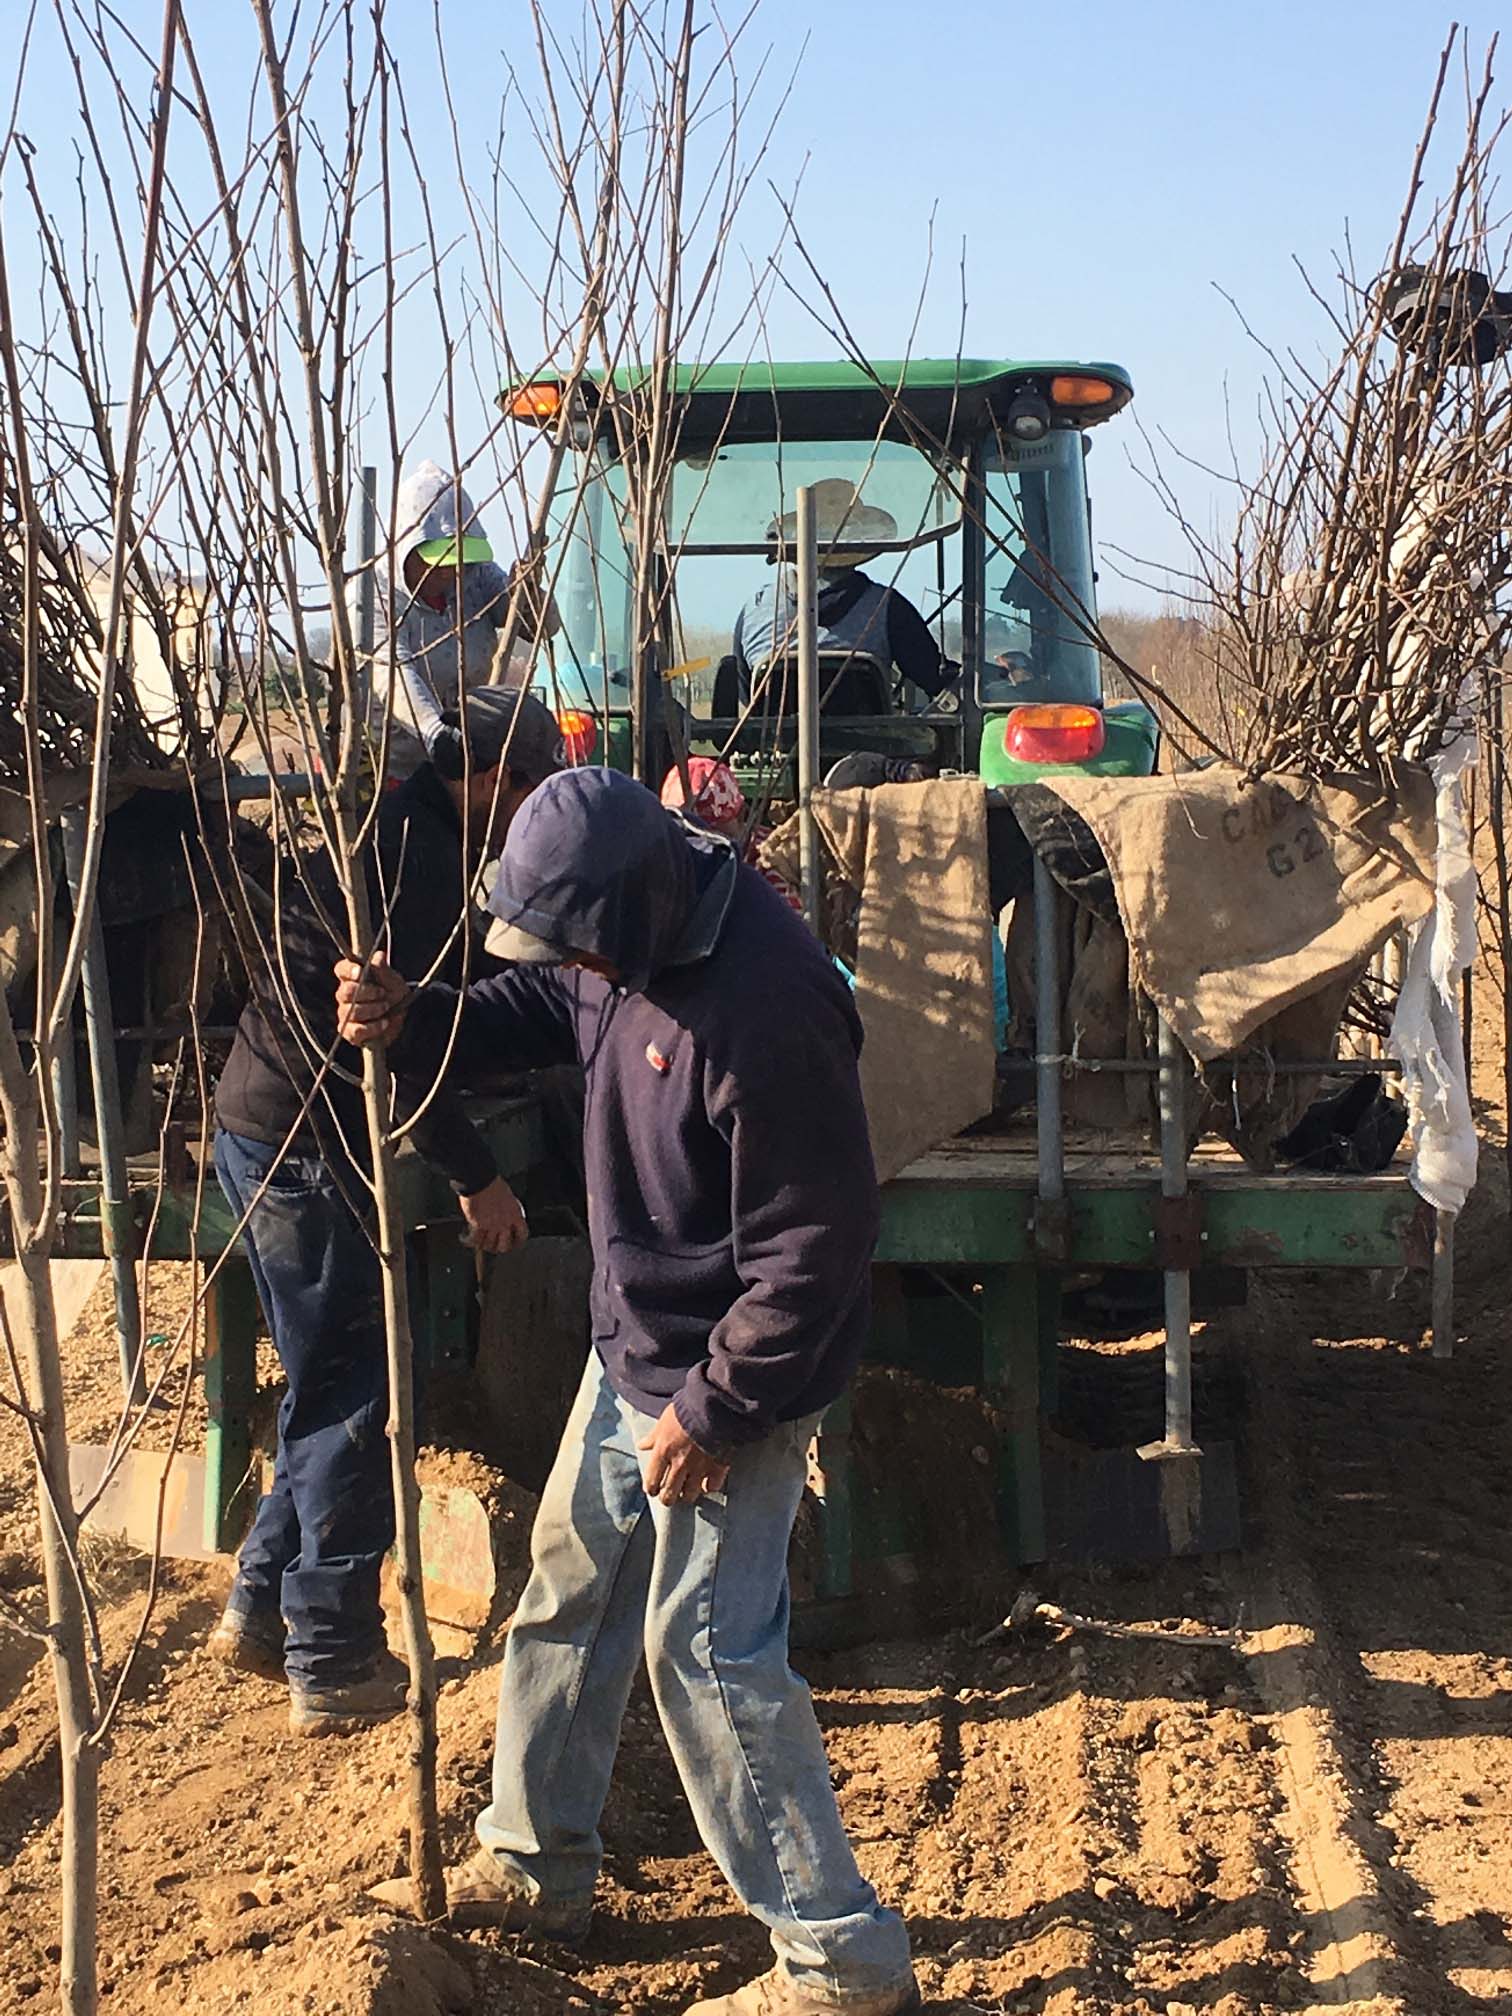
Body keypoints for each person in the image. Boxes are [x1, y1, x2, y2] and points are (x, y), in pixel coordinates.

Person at [336, 769, 919, 2016]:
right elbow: (541, 1002)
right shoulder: (617, 948)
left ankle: (839, 1965)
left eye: (585, 944)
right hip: (632, 1349)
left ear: (640, 903)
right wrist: (414, 1018)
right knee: (567, 1585)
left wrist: (714, 1408)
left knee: (708, 1653)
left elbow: (817, 1246)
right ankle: (536, 1864)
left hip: (737, 1373)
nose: (577, 966)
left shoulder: (769, 1006)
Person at [209, 689, 565, 1737]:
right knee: (357, 1390)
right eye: (533, 787)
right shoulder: (409, 867)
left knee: (323, 1380)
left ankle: (259, 1609)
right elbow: (396, 1047)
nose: (532, 809)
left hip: (260, 1123)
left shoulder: (404, 830)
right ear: (496, 777)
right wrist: (476, 1175)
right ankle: (333, 1656)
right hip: (305, 1143)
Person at [383, 460, 558, 778]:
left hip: (470, 766)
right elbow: (393, 674)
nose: (454, 570)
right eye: (442, 559)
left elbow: (541, 628)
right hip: (396, 770)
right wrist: (435, 733)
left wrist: (527, 592)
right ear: (408, 549)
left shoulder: (476, 576)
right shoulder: (376, 596)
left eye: (460, 559)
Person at [731, 478, 955, 710]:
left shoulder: (754, 611)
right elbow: (934, 679)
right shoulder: (886, 607)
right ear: (859, 540)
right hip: (872, 744)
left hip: (778, 745)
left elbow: (747, 697)